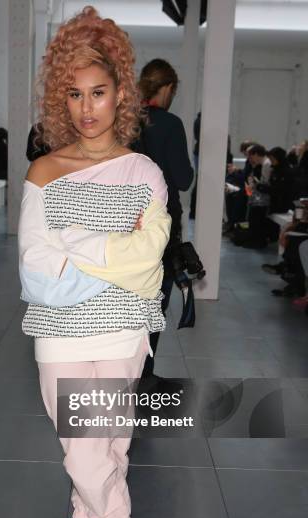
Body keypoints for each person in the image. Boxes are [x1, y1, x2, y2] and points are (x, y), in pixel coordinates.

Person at [18, 6, 171, 518]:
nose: (87, 108)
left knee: (108, 442)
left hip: (123, 329)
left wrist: (73, 246)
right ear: (63, 99)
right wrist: (112, 251)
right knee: (82, 446)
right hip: (58, 332)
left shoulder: (145, 173)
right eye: (75, 94)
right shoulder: (43, 171)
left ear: (120, 95)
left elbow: (148, 262)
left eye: (99, 92)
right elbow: (37, 274)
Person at [131, 58, 193, 376]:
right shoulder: (171, 125)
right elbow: (183, 179)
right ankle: (145, 373)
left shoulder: (125, 121)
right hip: (161, 226)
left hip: (126, 223)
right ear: (167, 88)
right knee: (155, 302)